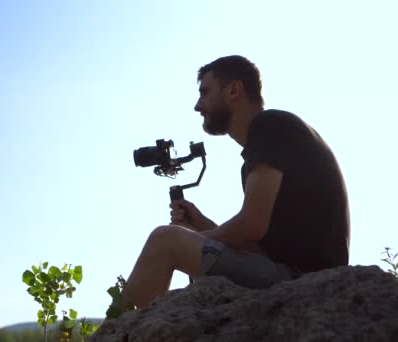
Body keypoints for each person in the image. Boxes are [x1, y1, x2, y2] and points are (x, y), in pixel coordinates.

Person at [119, 55, 350, 311]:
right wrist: (202, 227)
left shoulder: (269, 125)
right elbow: (260, 245)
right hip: (299, 277)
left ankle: (116, 333)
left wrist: (194, 239)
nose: (198, 106)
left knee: (166, 240)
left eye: (205, 92)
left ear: (233, 90)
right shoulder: (267, 143)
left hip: (303, 282)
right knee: (175, 238)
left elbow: (252, 225)